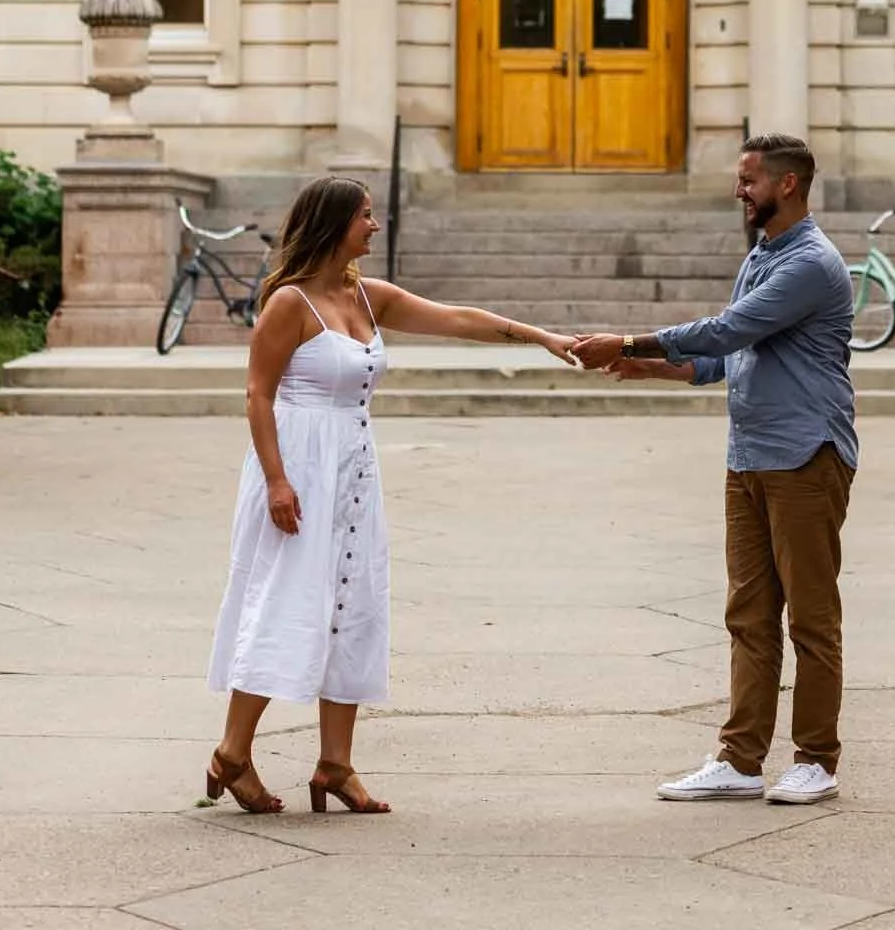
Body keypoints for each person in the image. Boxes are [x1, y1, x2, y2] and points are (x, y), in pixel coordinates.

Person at [206, 174, 576, 815]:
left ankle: (335, 765)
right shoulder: (290, 304)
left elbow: (458, 319)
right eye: (365, 217)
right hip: (297, 469)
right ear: (334, 224)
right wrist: (275, 480)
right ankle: (232, 755)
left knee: (354, 604)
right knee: (286, 605)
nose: (375, 226)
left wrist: (542, 337)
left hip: (353, 470)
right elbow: (257, 394)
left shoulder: (366, 298)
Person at [572, 132, 857, 805]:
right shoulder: (761, 255)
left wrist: (634, 337)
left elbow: (729, 329)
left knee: (811, 618)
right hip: (750, 456)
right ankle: (739, 759)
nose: (739, 189)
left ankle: (816, 758)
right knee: (749, 614)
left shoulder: (812, 263)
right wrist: (649, 367)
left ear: (787, 185)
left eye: (749, 179)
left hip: (806, 455)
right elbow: (731, 358)